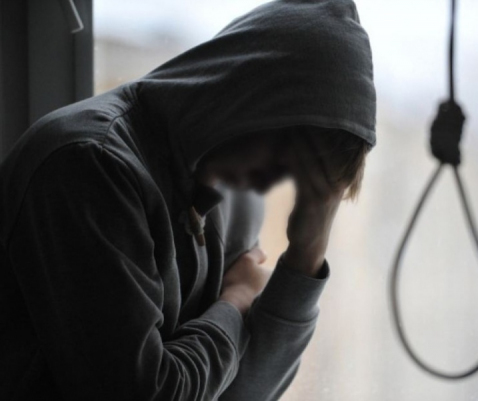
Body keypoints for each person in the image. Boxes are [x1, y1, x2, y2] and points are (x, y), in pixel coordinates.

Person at [0, 0, 376, 399]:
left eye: (293, 175)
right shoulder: (90, 166)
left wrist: (305, 255)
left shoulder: (238, 193)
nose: (269, 181)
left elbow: (239, 393)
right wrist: (236, 300)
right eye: (280, 155)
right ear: (250, 93)